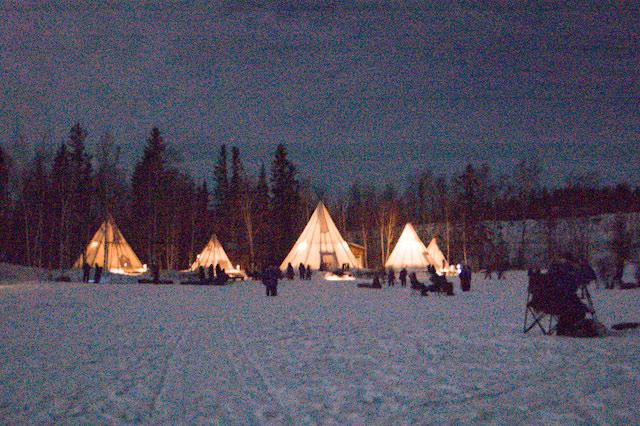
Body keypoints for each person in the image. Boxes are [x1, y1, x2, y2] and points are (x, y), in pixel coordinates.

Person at [548, 252, 591, 336]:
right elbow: (571, 284)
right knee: (578, 309)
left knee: (574, 307)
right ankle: (567, 328)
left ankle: (565, 327)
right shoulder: (566, 270)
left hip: (550, 300)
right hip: (562, 300)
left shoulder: (554, 268)